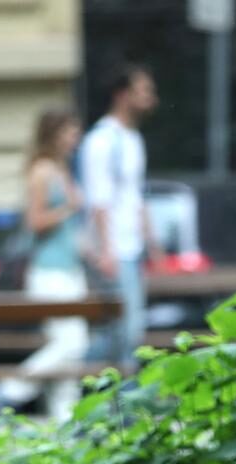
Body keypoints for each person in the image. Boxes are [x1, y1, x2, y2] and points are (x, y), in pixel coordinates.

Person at [0, 107, 89, 421]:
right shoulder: (42, 170)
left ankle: (65, 419)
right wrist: (68, 208)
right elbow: (35, 222)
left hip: (71, 268)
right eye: (70, 131)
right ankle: (10, 390)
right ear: (54, 134)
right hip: (49, 270)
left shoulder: (62, 168)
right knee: (72, 343)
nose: (76, 137)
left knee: (71, 350)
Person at [80, 63, 161, 370]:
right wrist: (107, 250)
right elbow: (98, 199)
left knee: (129, 331)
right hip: (114, 250)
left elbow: (135, 196)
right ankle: (72, 368)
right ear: (122, 95)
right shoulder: (102, 140)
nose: (151, 98)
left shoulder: (132, 139)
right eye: (144, 91)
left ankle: (107, 387)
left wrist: (151, 242)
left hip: (132, 248)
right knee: (125, 330)